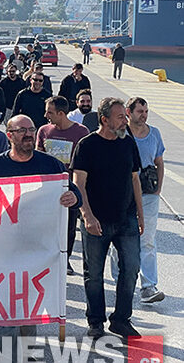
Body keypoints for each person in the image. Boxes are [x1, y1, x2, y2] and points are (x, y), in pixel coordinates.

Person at [0, 115, 81, 358]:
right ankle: (5, 355)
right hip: (2, 252)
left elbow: (72, 190)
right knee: (3, 311)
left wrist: (74, 198)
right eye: (21, 130)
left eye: (31, 129)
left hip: (37, 252)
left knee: (27, 308)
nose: (28, 134)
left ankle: (24, 352)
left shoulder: (50, 165)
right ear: (9, 135)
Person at [71, 97, 143, 338]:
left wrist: (141, 216)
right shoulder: (87, 145)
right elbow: (78, 183)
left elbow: (135, 180)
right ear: (104, 120)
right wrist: (87, 216)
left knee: (131, 268)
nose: (126, 120)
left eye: (125, 115)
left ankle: (121, 319)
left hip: (126, 219)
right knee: (94, 273)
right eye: (121, 116)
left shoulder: (128, 143)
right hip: (96, 219)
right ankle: (96, 321)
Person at [114, 97, 165, 303]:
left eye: (146, 111)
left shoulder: (154, 134)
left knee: (148, 240)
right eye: (139, 111)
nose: (143, 115)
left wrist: (158, 189)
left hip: (147, 194)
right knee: (118, 239)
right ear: (129, 112)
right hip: (123, 194)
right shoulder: (121, 134)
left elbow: (159, 161)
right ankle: (118, 280)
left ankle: (148, 286)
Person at [36, 96, 90, 274]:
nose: (46, 115)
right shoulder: (44, 131)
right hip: (46, 189)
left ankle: (64, 260)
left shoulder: (81, 132)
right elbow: (37, 156)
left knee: (68, 228)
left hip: (69, 188)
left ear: (61, 113)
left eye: (50, 112)